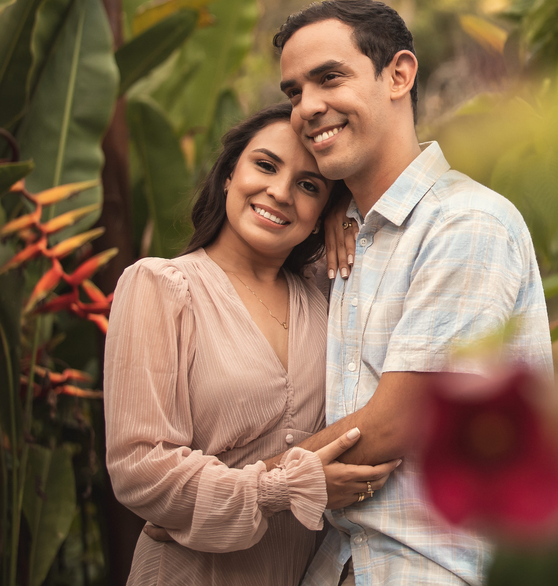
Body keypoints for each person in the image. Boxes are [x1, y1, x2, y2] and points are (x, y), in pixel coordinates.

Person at [274, 0, 554, 586]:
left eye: (330, 78)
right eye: (294, 92)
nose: (306, 108)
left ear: (399, 74)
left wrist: (244, 487)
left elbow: (393, 424)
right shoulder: (345, 236)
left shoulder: (466, 223)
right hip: (341, 564)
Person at [104, 104, 400, 586]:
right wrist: (285, 489)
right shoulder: (161, 286)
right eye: (265, 165)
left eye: (309, 186)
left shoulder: (329, 297)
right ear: (228, 175)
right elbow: (140, 468)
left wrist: (347, 214)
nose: (280, 193)